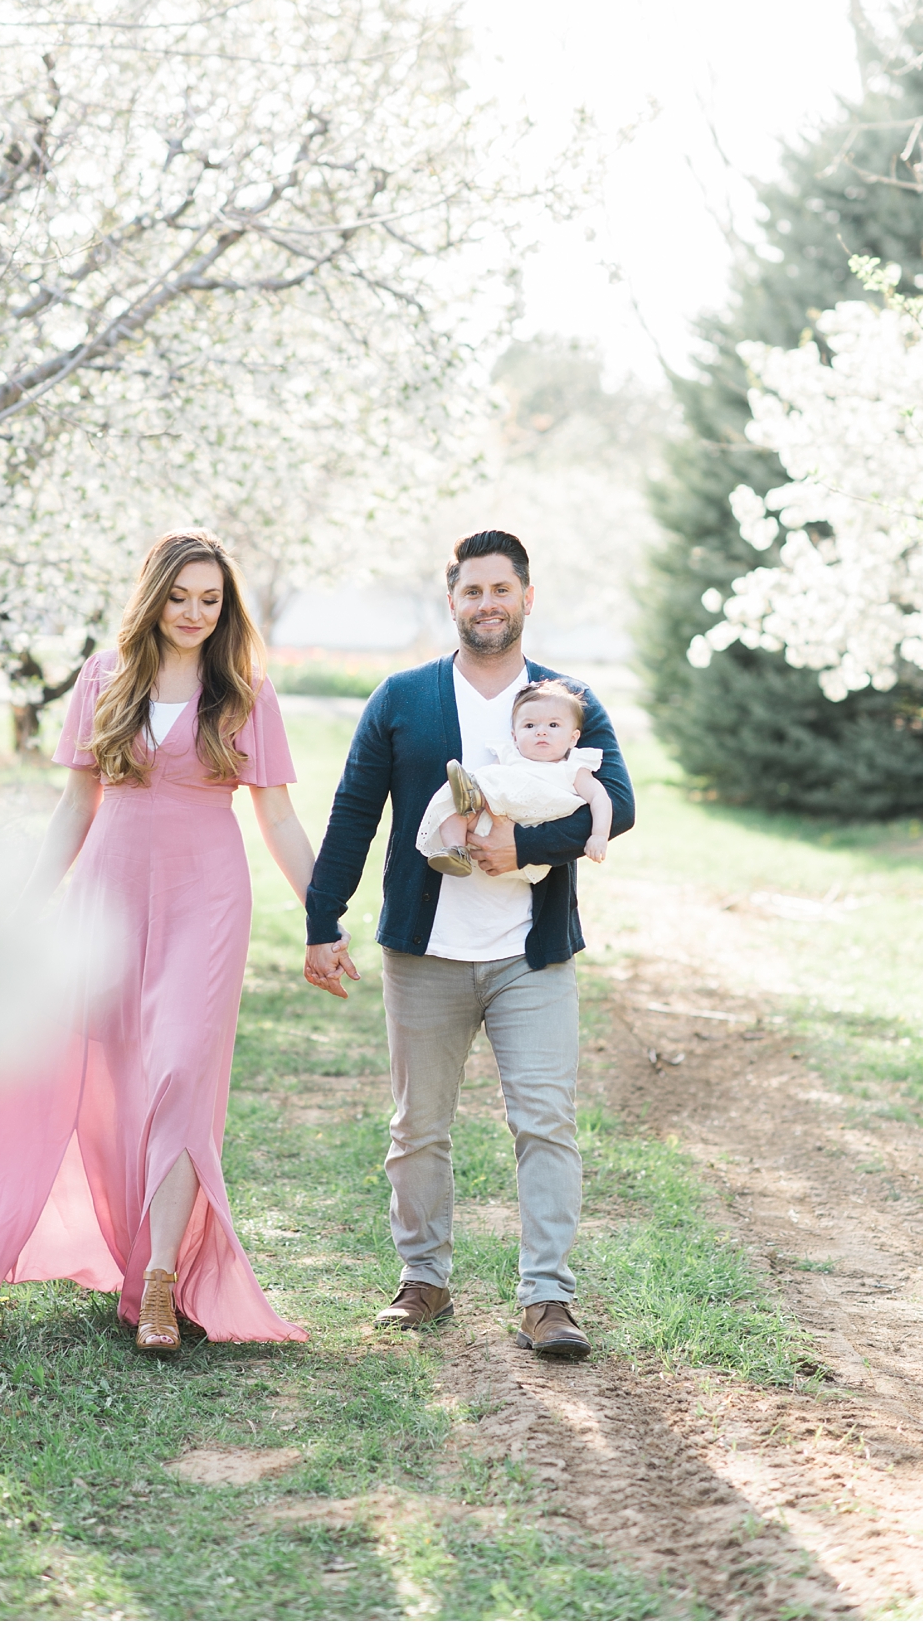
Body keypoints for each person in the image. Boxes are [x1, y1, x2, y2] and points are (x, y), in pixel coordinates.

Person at [0, 529, 317, 1351]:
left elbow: (281, 818)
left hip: (206, 900)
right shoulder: (103, 679)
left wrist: (322, 919)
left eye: (211, 599)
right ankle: (99, 1249)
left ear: (226, 608)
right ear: (153, 597)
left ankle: (158, 1283)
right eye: (181, 596)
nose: (194, 613)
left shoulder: (246, 692)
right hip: (107, 898)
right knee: (106, 1079)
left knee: (182, 1071)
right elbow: (74, 808)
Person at [301, 529, 632, 1358]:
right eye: (472, 591)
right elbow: (352, 812)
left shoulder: (567, 698)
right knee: (418, 1127)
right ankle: (424, 1280)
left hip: (532, 952)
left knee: (547, 1121)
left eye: (501, 588)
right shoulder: (403, 698)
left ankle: (547, 1298)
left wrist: (526, 851)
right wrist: (321, 919)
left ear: (528, 596)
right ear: (451, 602)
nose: (487, 603)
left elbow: (617, 803)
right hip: (424, 954)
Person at [417, 679, 612, 878]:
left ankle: (472, 793)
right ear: (515, 737)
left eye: (553, 725)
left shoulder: (573, 768)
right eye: (529, 725)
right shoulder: (510, 755)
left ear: (573, 738)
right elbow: (490, 778)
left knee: (482, 784)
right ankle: (456, 850)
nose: (541, 731)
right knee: (453, 805)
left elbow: (600, 798)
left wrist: (599, 835)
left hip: (529, 836)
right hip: (487, 825)